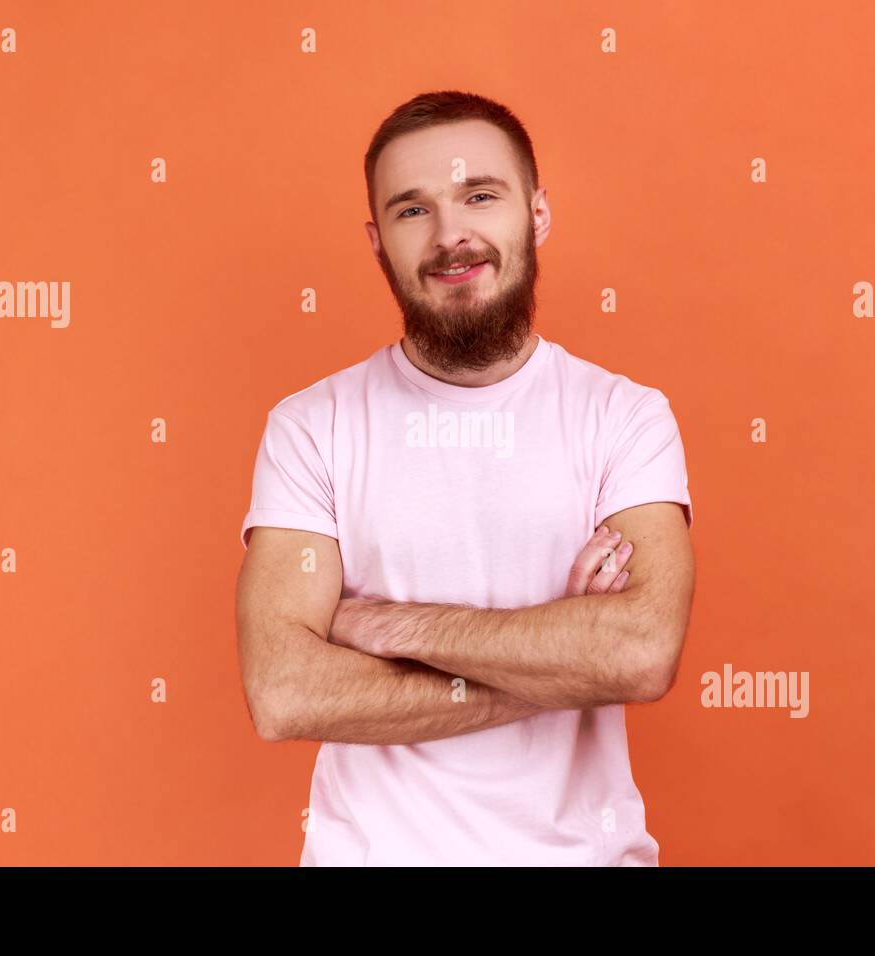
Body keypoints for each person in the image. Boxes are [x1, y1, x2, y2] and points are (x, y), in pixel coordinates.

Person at [235, 90, 695, 866]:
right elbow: (284, 694)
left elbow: (642, 652)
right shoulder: (312, 426)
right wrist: (561, 660)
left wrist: (388, 626)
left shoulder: (625, 417)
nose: (452, 237)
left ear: (537, 213)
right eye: (413, 211)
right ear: (378, 241)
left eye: (480, 195)